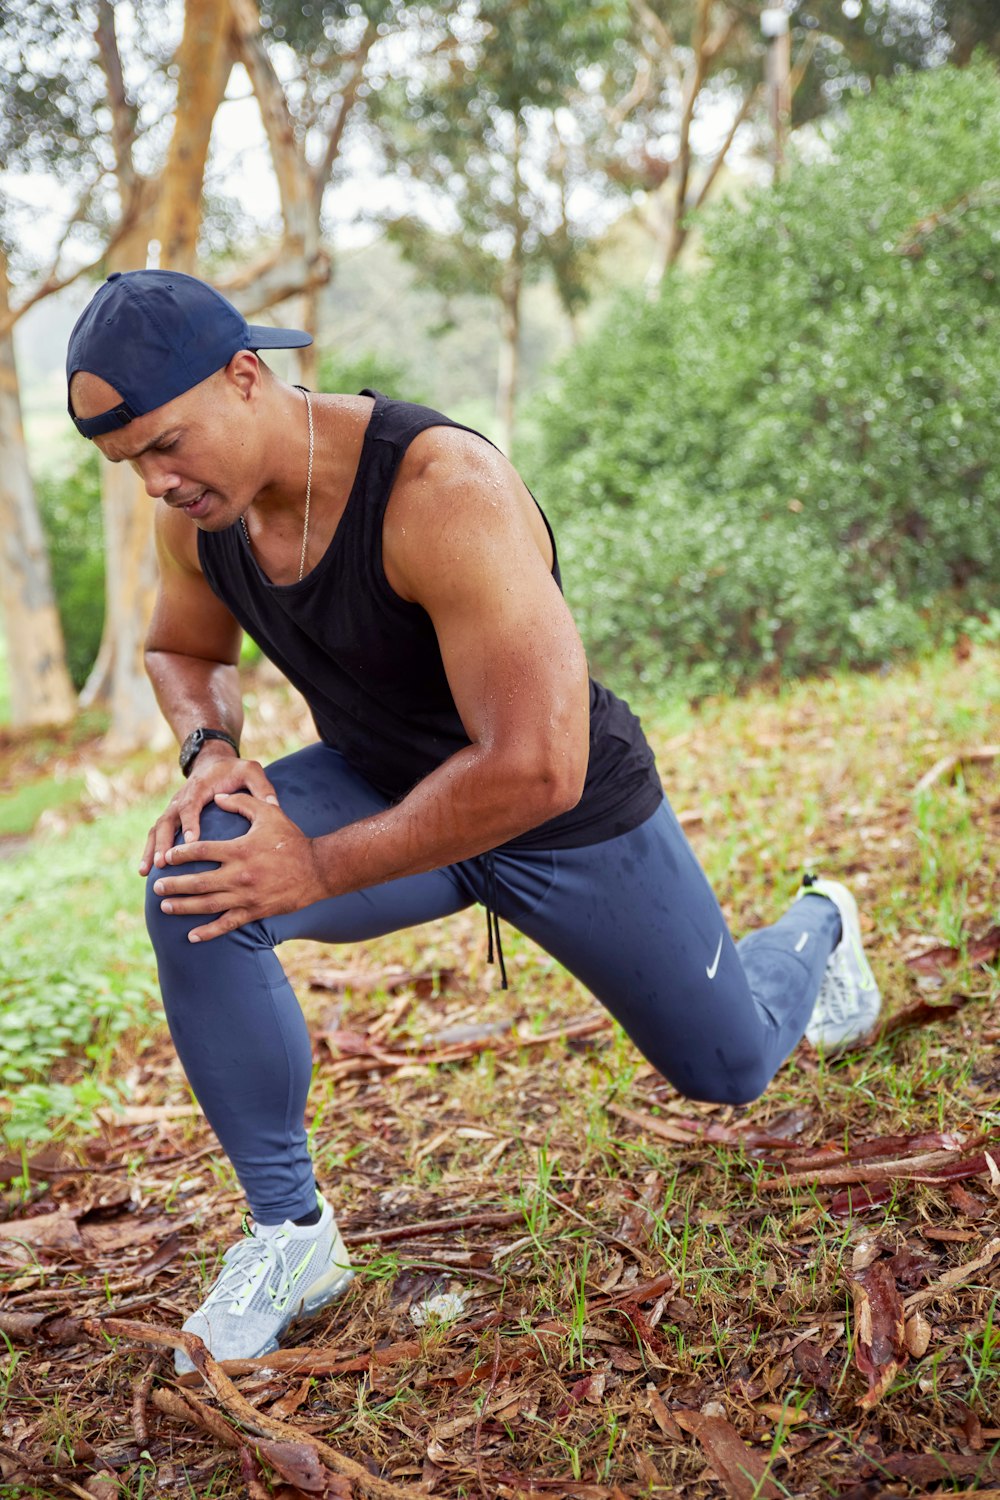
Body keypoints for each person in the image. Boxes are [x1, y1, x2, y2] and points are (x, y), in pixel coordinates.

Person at [66, 269, 881, 1374]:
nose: (157, 483)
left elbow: (536, 767)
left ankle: (819, 927)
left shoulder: (439, 490)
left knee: (729, 1068)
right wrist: (209, 750)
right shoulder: (203, 517)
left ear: (247, 376)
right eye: (131, 466)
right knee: (198, 877)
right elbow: (184, 649)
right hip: (387, 784)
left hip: (562, 818)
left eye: (166, 446)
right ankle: (291, 1237)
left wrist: (316, 864)